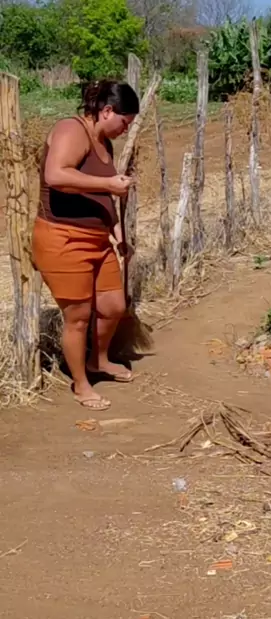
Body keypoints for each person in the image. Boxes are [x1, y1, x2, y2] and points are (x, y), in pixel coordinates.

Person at [32, 79, 140, 411]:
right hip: (64, 239)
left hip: (99, 241)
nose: (125, 129)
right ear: (107, 111)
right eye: (124, 122)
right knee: (78, 317)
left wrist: (118, 234)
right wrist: (108, 183)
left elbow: (103, 197)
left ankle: (99, 360)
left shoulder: (104, 143)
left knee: (113, 307)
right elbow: (56, 175)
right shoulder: (71, 130)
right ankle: (81, 385)